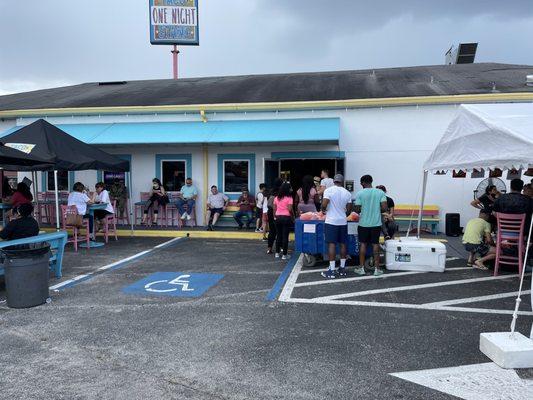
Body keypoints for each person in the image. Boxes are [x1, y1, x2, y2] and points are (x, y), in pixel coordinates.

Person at [354, 174, 388, 276]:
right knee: (375, 245)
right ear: (371, 181)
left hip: (363, 224)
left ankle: (361, 268)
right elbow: (385, 208)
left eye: (361, 183)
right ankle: (377, 269)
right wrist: (376, 209)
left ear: (363, 182)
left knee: (363, 244)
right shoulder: (380, 192)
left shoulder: (360, 193)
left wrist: (363, 208)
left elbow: (357, 209)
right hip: (376, 224)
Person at [320, 174, 353, 279]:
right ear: (342, 182)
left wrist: (323, 209)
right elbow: (348, 209)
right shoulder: (347, 193)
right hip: (342, 221)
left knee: (332, 244)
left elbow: (324, 204)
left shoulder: (328, 191)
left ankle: (332, 270)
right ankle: (342, 268)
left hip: (331, 221)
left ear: (334, 181)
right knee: (343, 244)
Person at [273, 182, 294, 260]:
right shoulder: (289, 198)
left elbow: (274, 209)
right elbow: (289, 209)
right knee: (285, 236)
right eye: (290, 188)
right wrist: (293, 217)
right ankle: (284, 255)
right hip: (286, 218)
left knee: (278, 235)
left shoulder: (277, 198)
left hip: (278, 217)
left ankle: (277, 253)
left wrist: (275, 216)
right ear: (287, 189)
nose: (291, 189)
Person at [267, 179, 283, 254]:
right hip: (278, 212)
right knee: (280, 231)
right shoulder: (281, 192)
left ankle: (269, 248)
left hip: (270, 211)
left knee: (272, 230)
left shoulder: (270, 191)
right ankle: (280, 247)